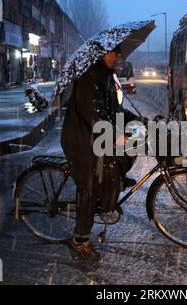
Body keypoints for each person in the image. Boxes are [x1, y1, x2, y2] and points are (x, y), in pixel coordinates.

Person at [61, 45, 138, 261]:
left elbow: (115, 110)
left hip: (95, 136)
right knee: (90, 185)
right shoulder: (89, 77)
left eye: (118, 54)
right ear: (100, 55)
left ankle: (110, 192)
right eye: (111, 53)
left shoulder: (106, 77)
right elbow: (92, 114)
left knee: (123, 154)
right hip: (81, 138)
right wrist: (113, 135)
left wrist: (138, 121)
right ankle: (80, 239)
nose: (116, 57)